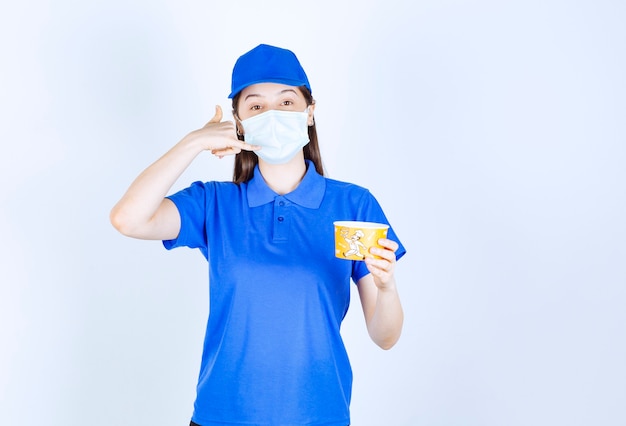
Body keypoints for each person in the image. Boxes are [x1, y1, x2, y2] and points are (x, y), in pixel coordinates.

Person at [110, 43, 406, 426]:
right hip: (221, 416)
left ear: (309, 113)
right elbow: (127, 219)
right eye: (255, 107)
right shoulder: (214, 205)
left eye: (286, 102)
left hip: (320, 416)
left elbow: (385, 337)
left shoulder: (353, 205)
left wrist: (386, 288)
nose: (272, 115)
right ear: (238, 122)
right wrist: (194, 142)